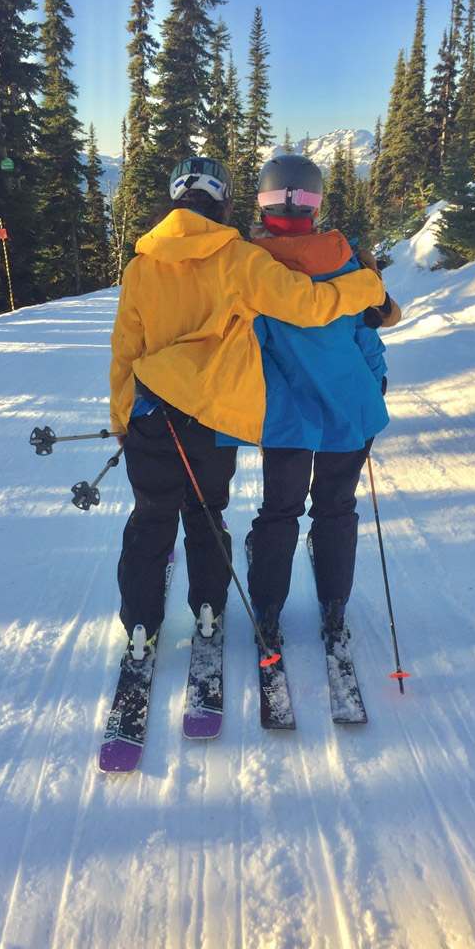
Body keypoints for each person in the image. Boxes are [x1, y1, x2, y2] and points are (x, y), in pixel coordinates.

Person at [109, 156, 389, 657]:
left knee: (151, 517)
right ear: (227, 203)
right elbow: (314, 308)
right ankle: (213, 611)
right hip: (214, 416)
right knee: (209, 512)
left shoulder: (140, 267)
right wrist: (370, 287)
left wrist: (120, 417)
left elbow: (125, 350)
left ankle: (141, 626)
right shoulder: (240, 260)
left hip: (156, 412)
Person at [244, 154, 401, 650]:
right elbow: (365, 338)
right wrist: (375, 384)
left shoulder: (250, 267)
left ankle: (267, 611)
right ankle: (334, 608)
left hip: (286, 415)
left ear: (263, 203)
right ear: (315, 203)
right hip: (350, 408)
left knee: (279, 510)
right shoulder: (347, 262)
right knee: (336, 508)